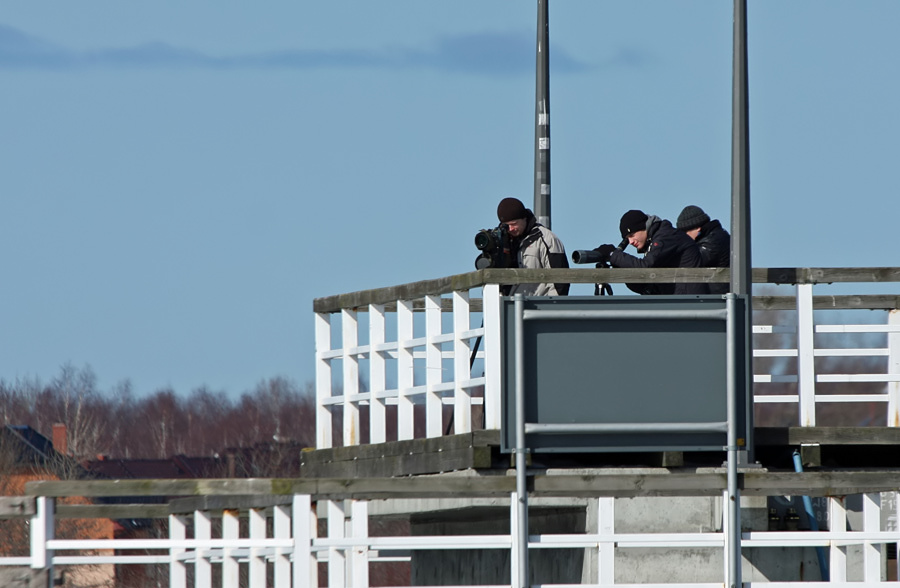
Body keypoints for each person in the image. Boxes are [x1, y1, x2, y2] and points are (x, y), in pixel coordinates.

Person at [591, 209, 708, 295]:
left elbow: (645, 267)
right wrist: (620, 266)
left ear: (644, 227)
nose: (631, 241)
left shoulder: (665, 237)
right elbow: (646, 286)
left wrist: (613, 254)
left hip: (689, 303)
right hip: (683, 301)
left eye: (632, 235)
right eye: (627, 238)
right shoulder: (660, 237)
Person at [496, 197, 569, 296]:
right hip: (508, 307)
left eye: (514, 224)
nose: (511, 229)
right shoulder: (500, 243)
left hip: (539, 307)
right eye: (506, 226)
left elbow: (560, 282)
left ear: (524, 218)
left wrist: (550, 308)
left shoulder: (546, 239)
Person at [676, 205, 731, 295]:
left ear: (697, 228)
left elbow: (691, 261)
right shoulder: (715, 235)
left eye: (686, 232)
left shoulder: (711, 241)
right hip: (718, 295)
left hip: (718, 299)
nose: (684, 236)